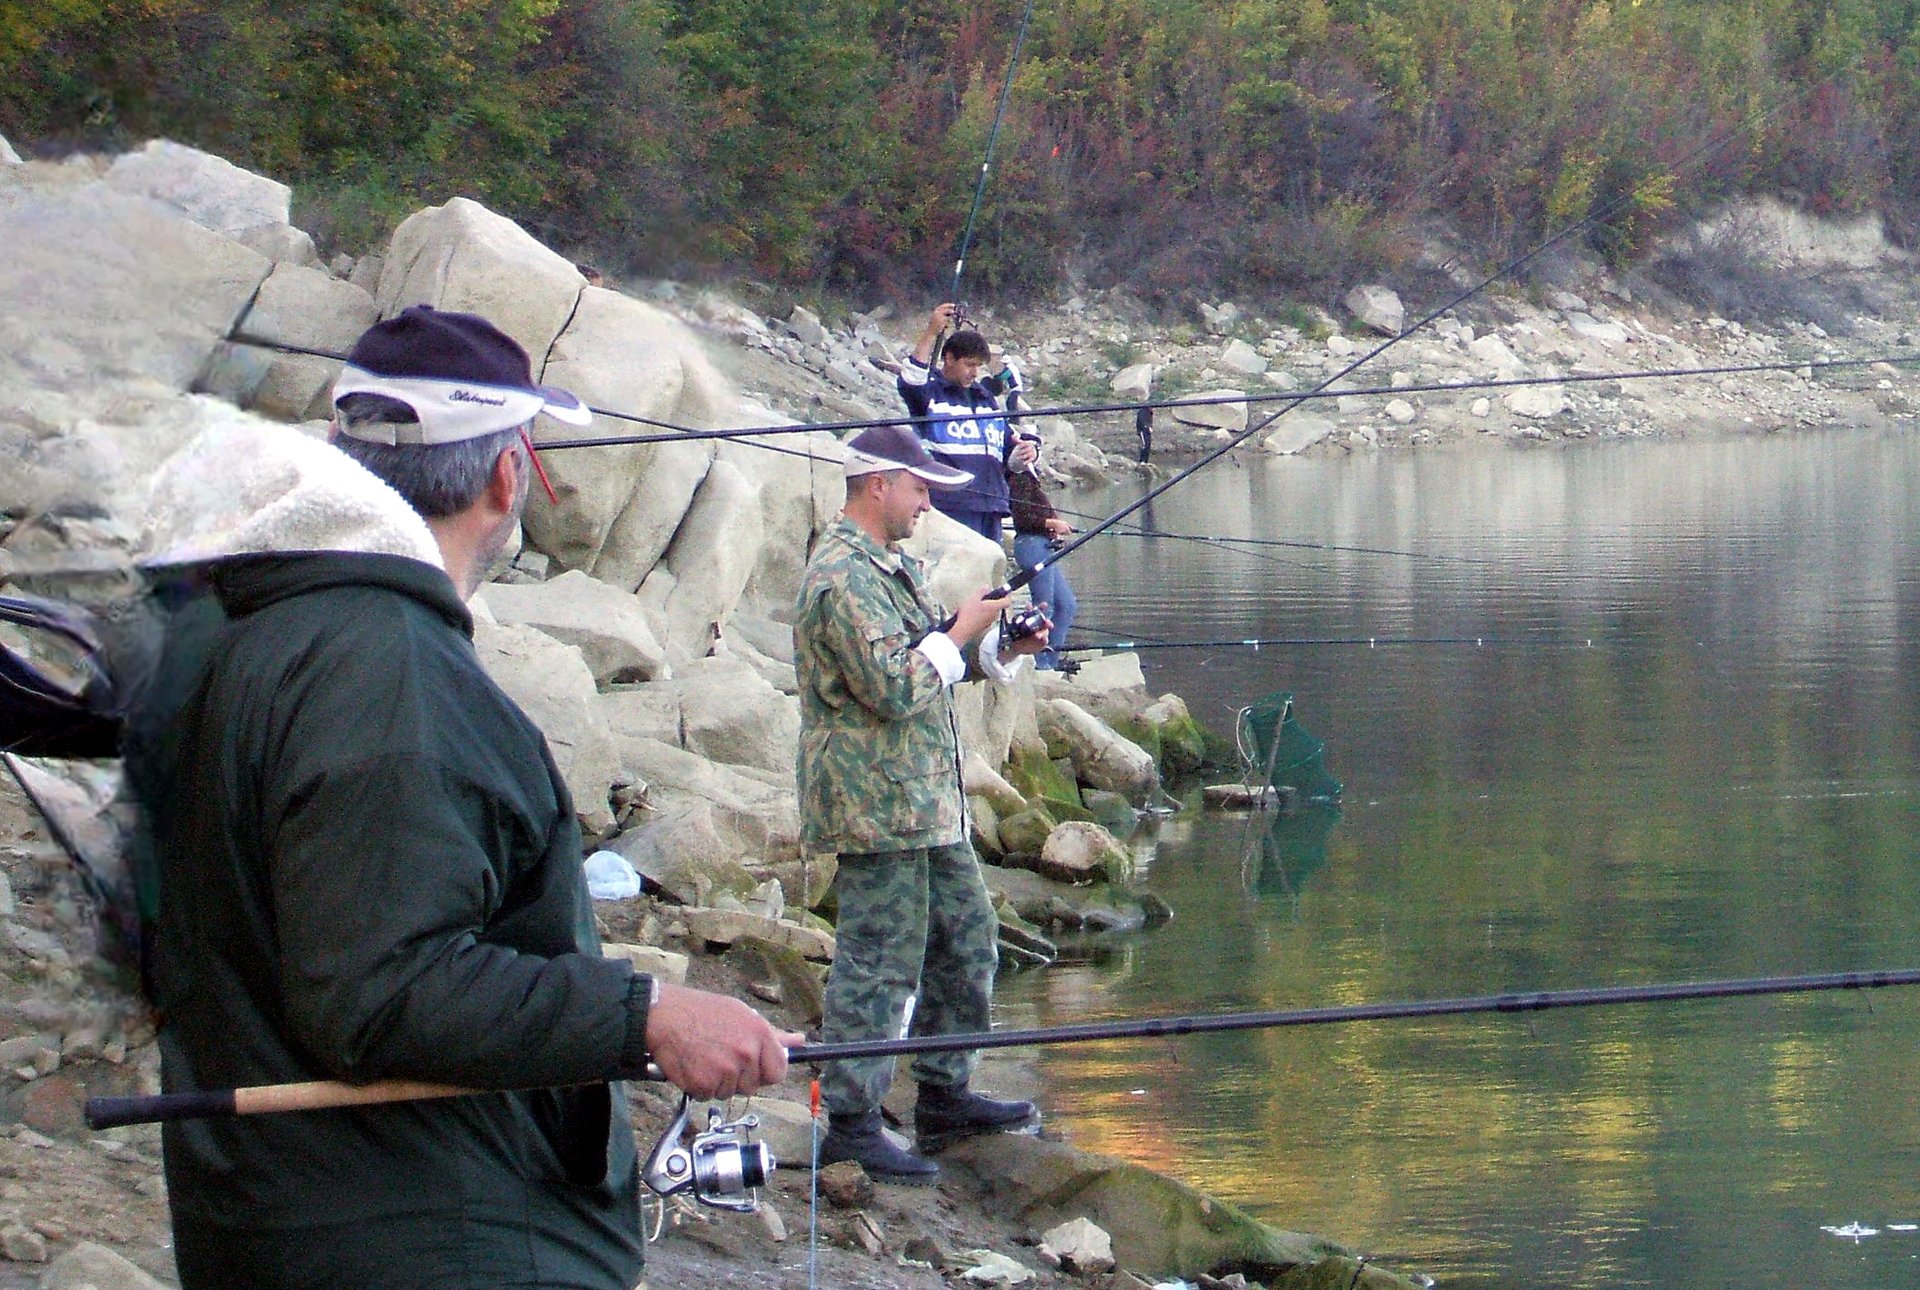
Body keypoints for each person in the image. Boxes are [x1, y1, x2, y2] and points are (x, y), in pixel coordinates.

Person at [124, 305, 798, 1289]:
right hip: (428, 1236)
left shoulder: (240, 631)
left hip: (276, 1219)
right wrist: (648, 1018)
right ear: (505, 476)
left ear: (335, 452)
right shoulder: (384, 667)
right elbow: (379, 991)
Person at [795, 423, 1047, 1183]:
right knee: (878, 962)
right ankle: (850, 1121)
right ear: (878, 484)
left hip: (925, 801)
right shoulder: (840, 576)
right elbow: (895, 684)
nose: (926, 501)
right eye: (919, 487)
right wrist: (961, 630)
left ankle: (945, 1091)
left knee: (970, 938)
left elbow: (929, 660)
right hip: (875, 806)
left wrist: (998, 649)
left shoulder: (890, 566)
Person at [897, 301, 1037, 539]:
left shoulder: (987, 401)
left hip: (991, 507)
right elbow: (910, 379)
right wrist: (932, 332)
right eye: (969, 364)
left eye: (979, 366)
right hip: (950, 508)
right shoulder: (929, 394)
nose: (974, 373)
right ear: (949, 359)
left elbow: (1008, 455)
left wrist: (1024, 454)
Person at [1006, 437, 1079, 672]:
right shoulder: (1019, 477)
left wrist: (1052, 526)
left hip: (1042, 545)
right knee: (1043, 607)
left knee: (1066, 604)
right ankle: (1039, 665)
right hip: (1031, 546)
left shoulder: (1030, 477)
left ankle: (1050, 660)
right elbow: (1022, 518)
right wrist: (1051, 523)